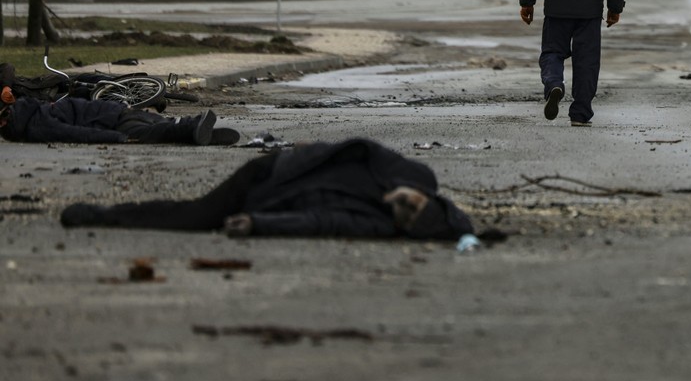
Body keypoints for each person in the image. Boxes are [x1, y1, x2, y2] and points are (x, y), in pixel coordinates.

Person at [57, 138, 476, 240]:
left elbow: (319, 221)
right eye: (413, 205)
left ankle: (106, 215)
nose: (401, 208)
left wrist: (258, 223)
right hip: (274, 171)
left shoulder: (380, 224)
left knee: (200, 218)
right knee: (198, 216)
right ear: (424, 195)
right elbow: (363, 146)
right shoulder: (413, 174)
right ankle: (104, 215)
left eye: (406, 217)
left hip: (269, 198)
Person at [0, 87, 235, 146]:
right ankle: (198, 130)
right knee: (160, 123)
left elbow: (76, 134)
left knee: (152, 134)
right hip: (116, 110)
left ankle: (191, 128)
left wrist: (114, 138)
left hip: (115, 123)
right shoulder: (34, 107)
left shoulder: (36, 126)